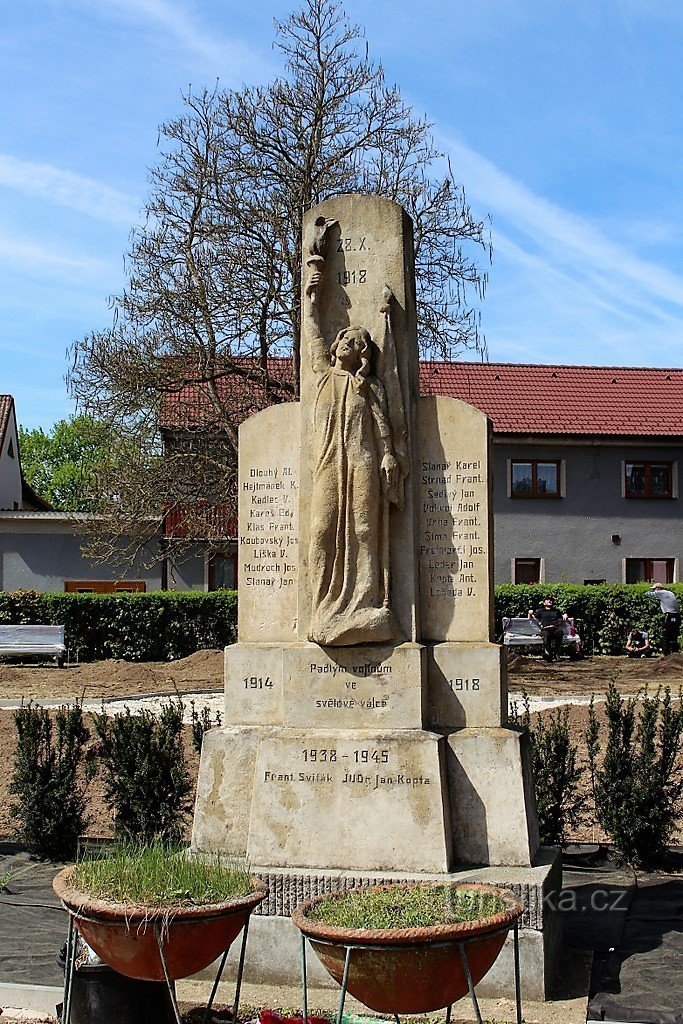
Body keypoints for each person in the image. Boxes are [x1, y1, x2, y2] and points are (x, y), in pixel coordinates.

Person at [303, 255, 406, 647]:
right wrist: (312, 295)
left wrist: (389, 455)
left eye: (358, 343)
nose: (349, 343)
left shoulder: (372, 387)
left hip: (363, 462)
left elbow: (386, 429)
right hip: (329, 464)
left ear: (364, 353)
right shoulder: (322, 374)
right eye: (346, 338)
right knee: (322, 529)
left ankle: (367, 601)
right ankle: (323, 608)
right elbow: (311, 329)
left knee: (365, 530)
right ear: (337, 345)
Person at [645, 583, 681, 655]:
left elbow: (647, 594)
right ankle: (675, 653)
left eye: (654, 589)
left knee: (665, 635)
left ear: (658, 588)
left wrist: (650, 591)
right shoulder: (670, 593)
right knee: (673, 636)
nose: (654, 591)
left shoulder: (661, 593)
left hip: (669, 615)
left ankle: (666, 654)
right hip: (677, 616)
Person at [528, 596, 568, 662]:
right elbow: (531, 618)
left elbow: (563, 619)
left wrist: (565, 616)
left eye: (550, 600)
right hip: (546, 629)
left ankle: (556, 654)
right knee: (546, 635)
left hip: (555, 629)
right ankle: (548, 654)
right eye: (547, 600)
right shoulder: (540, 611)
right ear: (544, 603)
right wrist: (529, 613)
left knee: (560, 633)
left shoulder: (556, 611)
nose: (549, 601)